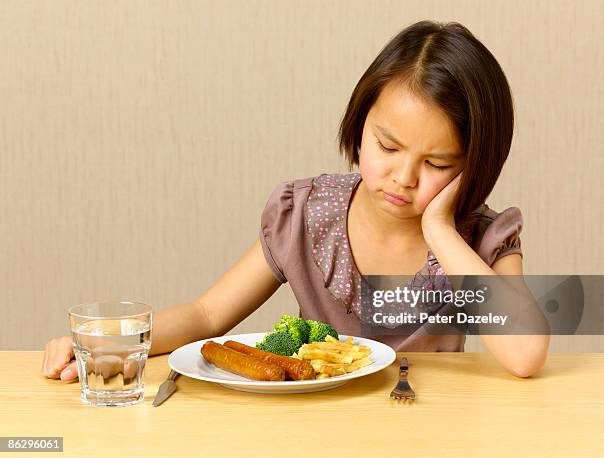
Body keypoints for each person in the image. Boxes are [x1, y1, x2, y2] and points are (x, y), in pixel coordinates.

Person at [42, 20, 549, 381]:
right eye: (387, 147)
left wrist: (440, 229)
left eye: (438, 164)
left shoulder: (480, 238)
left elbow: (525, 355)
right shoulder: (308, 214)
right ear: (358, 125)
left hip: (430, 431)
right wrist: (114, 340)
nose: (403, 177)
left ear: (476, 163)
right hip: (318, 431)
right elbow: (205, 315)